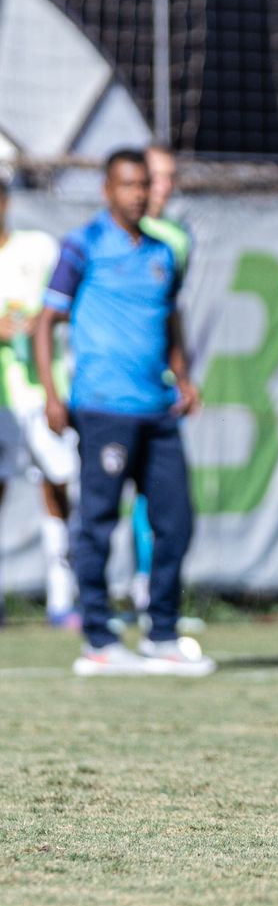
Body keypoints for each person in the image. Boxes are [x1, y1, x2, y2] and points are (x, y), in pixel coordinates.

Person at [35, 150, 211, 676]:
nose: (138, 194)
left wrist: (182, 376)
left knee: (175, 522)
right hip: (102, 408)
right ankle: (98, 637)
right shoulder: (83, 246)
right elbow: (46, 322)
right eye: (128, 185)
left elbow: (170, 317)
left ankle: (161, 632)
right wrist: (51, 392)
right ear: (107, 191)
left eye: (144, 185)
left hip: (157, 410)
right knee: (98, 524)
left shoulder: (163, 251)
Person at [0, 176, 79, 628]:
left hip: (41, 391)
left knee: (56, 487)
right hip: (2, 401)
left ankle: (62, 600)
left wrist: (40, 322)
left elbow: (67, 304)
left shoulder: (39, 249)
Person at [127, 145, 192, 619]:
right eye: (155, 176)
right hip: (106, 391)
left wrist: (181, 372)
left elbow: (169, 311)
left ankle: (150, 590)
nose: (162, 186)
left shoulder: (174, 240)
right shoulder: (110, 236)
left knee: (162, 499)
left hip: (155, 384)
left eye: (170, 177)